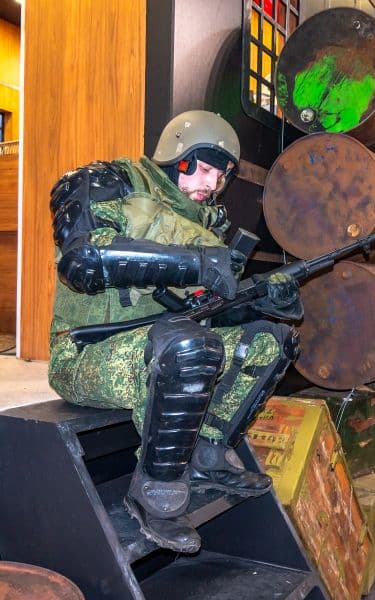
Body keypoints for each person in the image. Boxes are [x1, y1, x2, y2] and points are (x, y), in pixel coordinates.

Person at [47, 110, 303, 553]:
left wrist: (262, 299)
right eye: (204, 168)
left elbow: (208, 310)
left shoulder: (205, 224)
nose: (212, 184)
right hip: (86, 353)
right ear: (177, 155)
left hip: (162, 346)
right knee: (190, 347)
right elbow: (82, 262)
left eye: (221, 176)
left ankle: (209, 453)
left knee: (268, 342)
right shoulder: (110, 183)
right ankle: (155, 494)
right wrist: (197, 264)